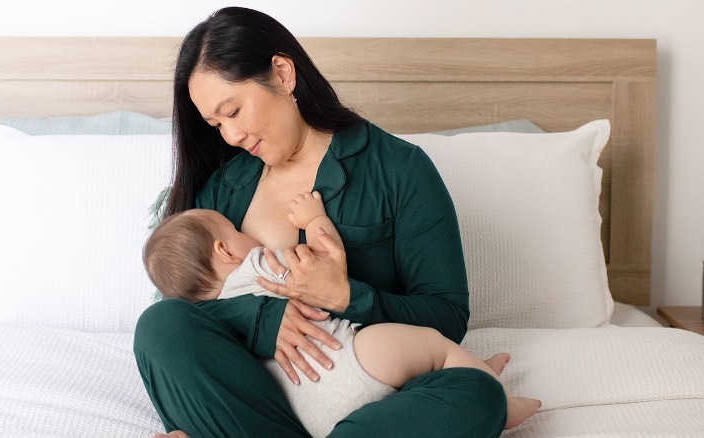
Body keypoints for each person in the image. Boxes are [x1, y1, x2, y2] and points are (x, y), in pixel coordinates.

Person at [134, 6, 512, 437]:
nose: (230, 137)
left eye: (233, 111)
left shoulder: (400, 170)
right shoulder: (223, 191)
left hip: (366, 398)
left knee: (479, 396)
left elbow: (446, 316)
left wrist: (347, 295)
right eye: (215, 123)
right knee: (159, 326)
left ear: (281, 73)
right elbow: (192, 310)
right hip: (259, 403)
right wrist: (260, 320)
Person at [143, 192, 540, 437]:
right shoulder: (260, 265)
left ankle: (472, 384)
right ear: (225, 251)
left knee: (465, 393)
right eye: (235, 229)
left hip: (308, 414)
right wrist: (314, 221)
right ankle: (491, 387)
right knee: (432, 346)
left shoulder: (207, 318)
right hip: (342, 359)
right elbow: (323, 257)